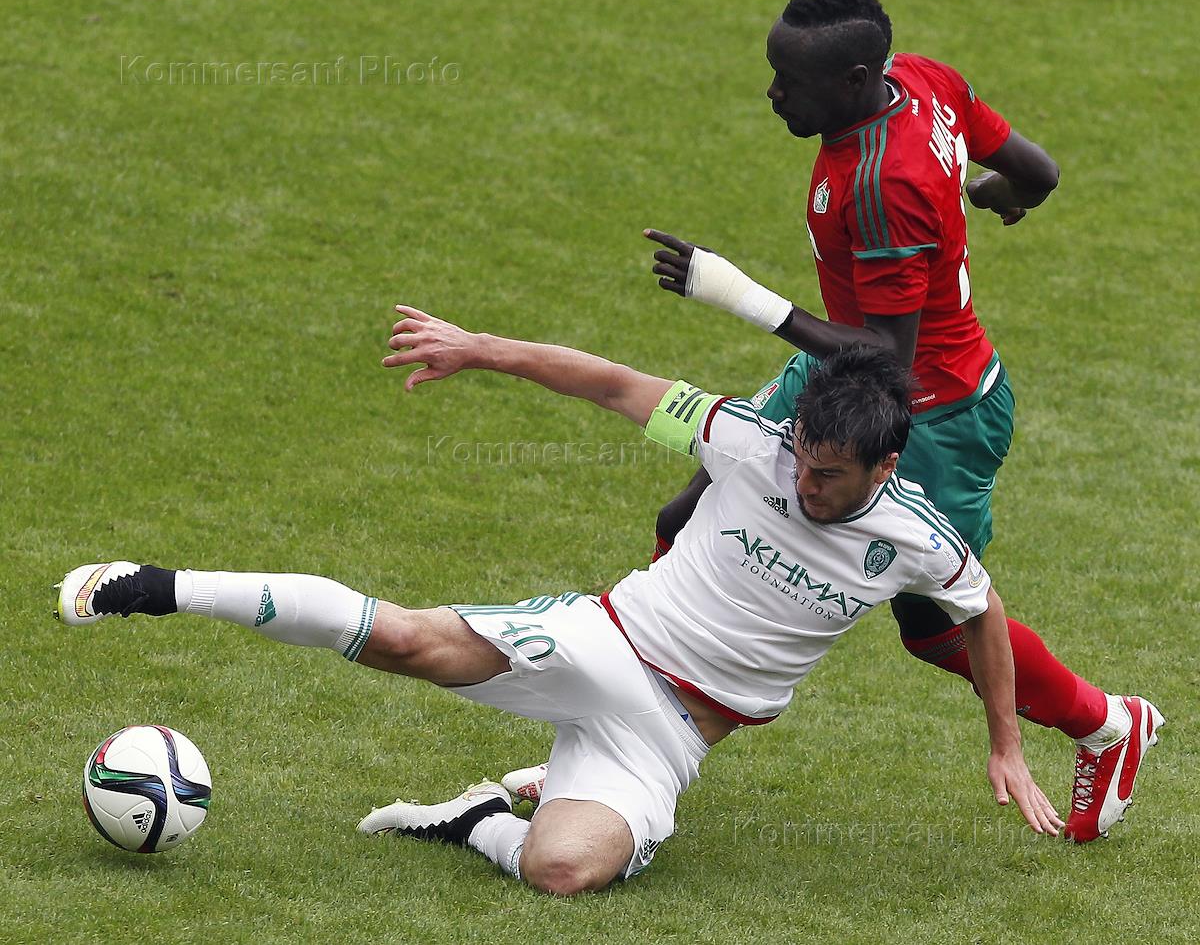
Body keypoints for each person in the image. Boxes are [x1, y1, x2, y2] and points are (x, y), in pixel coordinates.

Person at [57, 305, 1079, 896]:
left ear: (885, 467)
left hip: (672, 737)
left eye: (828, 476)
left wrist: (1005, 740)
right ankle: (158, 587)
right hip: (607, 641)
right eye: (802, 459)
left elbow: (982, 611)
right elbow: (613, 384)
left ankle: (473, 818)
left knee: (562, 873)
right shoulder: (749, 439)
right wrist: (480, 348)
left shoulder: (919, 539)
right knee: (404, 638)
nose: (804, 483)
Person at [629, 0, 1156, 843]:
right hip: (841, 373)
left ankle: (1107, 724)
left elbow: (890, 362)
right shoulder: (921, 76)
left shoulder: (884, 184)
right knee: (682, 518)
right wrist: (999, 194)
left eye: (790, 82)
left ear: (853, 80)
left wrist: (734, 293)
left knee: (935, 625)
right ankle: (625, 718)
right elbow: (1039, 173)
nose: (772, 94)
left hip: (928, 415)